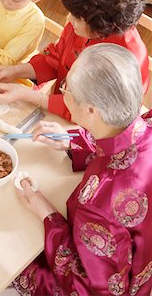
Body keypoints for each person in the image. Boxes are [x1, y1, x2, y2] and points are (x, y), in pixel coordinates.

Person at [12, 43, 152, 296]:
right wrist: (74, 141)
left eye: (66, 88)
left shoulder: (101, 207)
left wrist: (46, 212)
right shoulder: (146, 123)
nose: (63, 90)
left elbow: (87, 289)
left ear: (90, 110)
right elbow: (125, 147)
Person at [0, 0, 150, 121]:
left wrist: (29, 95)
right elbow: (56, 57)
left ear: (101, 25)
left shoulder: (126, 63)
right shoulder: (84, 22)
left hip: (88, 132)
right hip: (58, 108)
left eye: (77, 18)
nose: (69, 20)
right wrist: (16, 70)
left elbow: (92, 114)